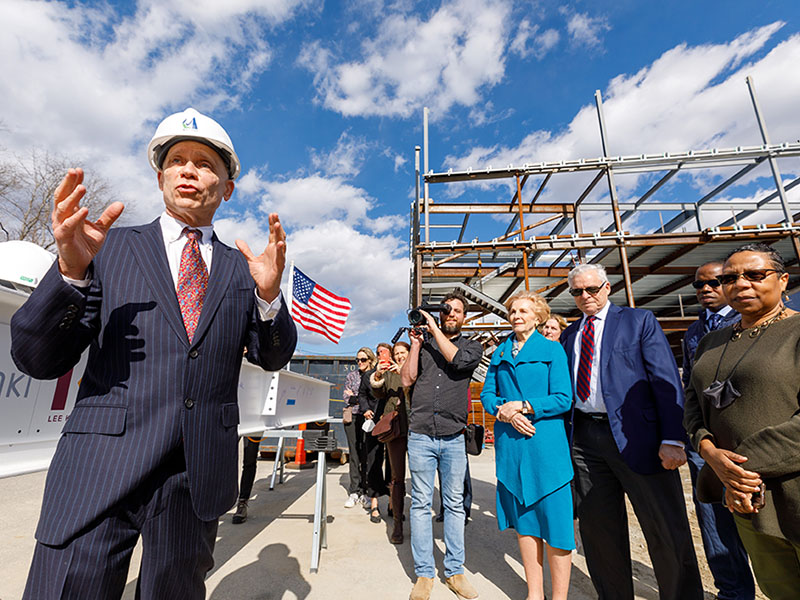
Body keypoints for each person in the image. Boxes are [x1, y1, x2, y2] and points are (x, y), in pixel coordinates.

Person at [10, 107, 297, 599]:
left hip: (194, 479)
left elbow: (271, 358)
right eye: (177, 160)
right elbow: (37, 359)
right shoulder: (104, 248)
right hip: (99, 470)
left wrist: (270, 300)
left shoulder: (240, 271)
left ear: (227, 187)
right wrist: (71, 272)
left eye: (206, 163)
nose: (189, 170)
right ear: (161, 176)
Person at [560, 263, 702, 600]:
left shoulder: (638, 322)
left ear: (607, 287)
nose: (585, 297)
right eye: (577, 292)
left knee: (665, 528)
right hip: (585, 441)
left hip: (639, 438)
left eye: (591, 289)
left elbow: (666, 381)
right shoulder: (570, 334)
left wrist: (672, 439)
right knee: (599, 532)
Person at [684, 243, 800, 599]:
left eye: (755, 274)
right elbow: (692, 403)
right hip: (745, 498)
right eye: (731, 277)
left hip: (791, 490)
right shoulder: (710, 342)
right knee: (779, 589)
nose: (740, 283)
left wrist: (737, 468)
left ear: (783, 280)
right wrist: (709, 451)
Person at [481, 290, 574, 600]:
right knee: (526, 524)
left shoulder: (552, 350)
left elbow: (563, 398)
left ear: (538, 317)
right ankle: (535, 593)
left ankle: (559, 596)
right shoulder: (500, 353)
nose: (516, 315)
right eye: (512, 311)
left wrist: (523, 406)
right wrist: (504, 413)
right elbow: (488, 396)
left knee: (557, 527)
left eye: (523, 310)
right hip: (512, 447)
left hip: (545, 445)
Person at [401, 290, 483, 600]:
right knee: (421, 504)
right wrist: (416, 345)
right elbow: (407, 380)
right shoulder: (424, 344)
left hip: (453, 437)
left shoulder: (472, 347)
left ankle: (455, 572)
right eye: (446, 310)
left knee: (453, 505)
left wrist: (433, 329)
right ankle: (424, 575)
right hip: (421, 434)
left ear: (464, 317)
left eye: (456, 310)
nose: (450, 314)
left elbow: (458, 361)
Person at [681, 262, 755, 600]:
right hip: (706, 441)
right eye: (699, 284)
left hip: (749, 434)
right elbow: (689, 388)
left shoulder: (748, 321)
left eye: (715, 281)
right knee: (713, 519)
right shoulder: (693, 333)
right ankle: (732, 591)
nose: (705, 288)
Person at [371, 340, 411, 543]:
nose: (399, 356)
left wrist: (406, 371)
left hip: (417, 428)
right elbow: (377, 392)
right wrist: (378, 375)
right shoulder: (389, 373)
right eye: (397, 353)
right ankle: (397, 524)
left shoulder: (417, 370)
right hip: (395, 429)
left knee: (422, 477)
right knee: (397, 477)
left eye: (403, 352)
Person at [360, 343, 390, 522]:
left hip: (392, 423)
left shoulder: (395, 373)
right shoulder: (369, 375)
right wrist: (365, 409)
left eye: (385, 352)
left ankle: (394, 503)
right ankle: (374, 504)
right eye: (379, 353)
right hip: (373, 423)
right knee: (373, 461)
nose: (382, 356)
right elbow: (362, 394)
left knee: (394, 465)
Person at [342, 347, 375, 508]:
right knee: (354, 454)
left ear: (370, 360)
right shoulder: (352, 376)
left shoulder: (375, 375)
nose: (360, 363)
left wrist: (356, 398)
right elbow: (346, 397)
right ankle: (354, 491)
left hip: (369, 418)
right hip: (353, 417)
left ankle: (366, 491)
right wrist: (358, 399)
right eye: (358, 360)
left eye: (363, 359)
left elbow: (374, 396)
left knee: (367, 455)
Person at [232, 436, 263, 524]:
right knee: (226, 458)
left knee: (250, 458)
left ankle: (243, 502)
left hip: (253, 423)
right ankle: (223, 500)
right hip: (231, 423)